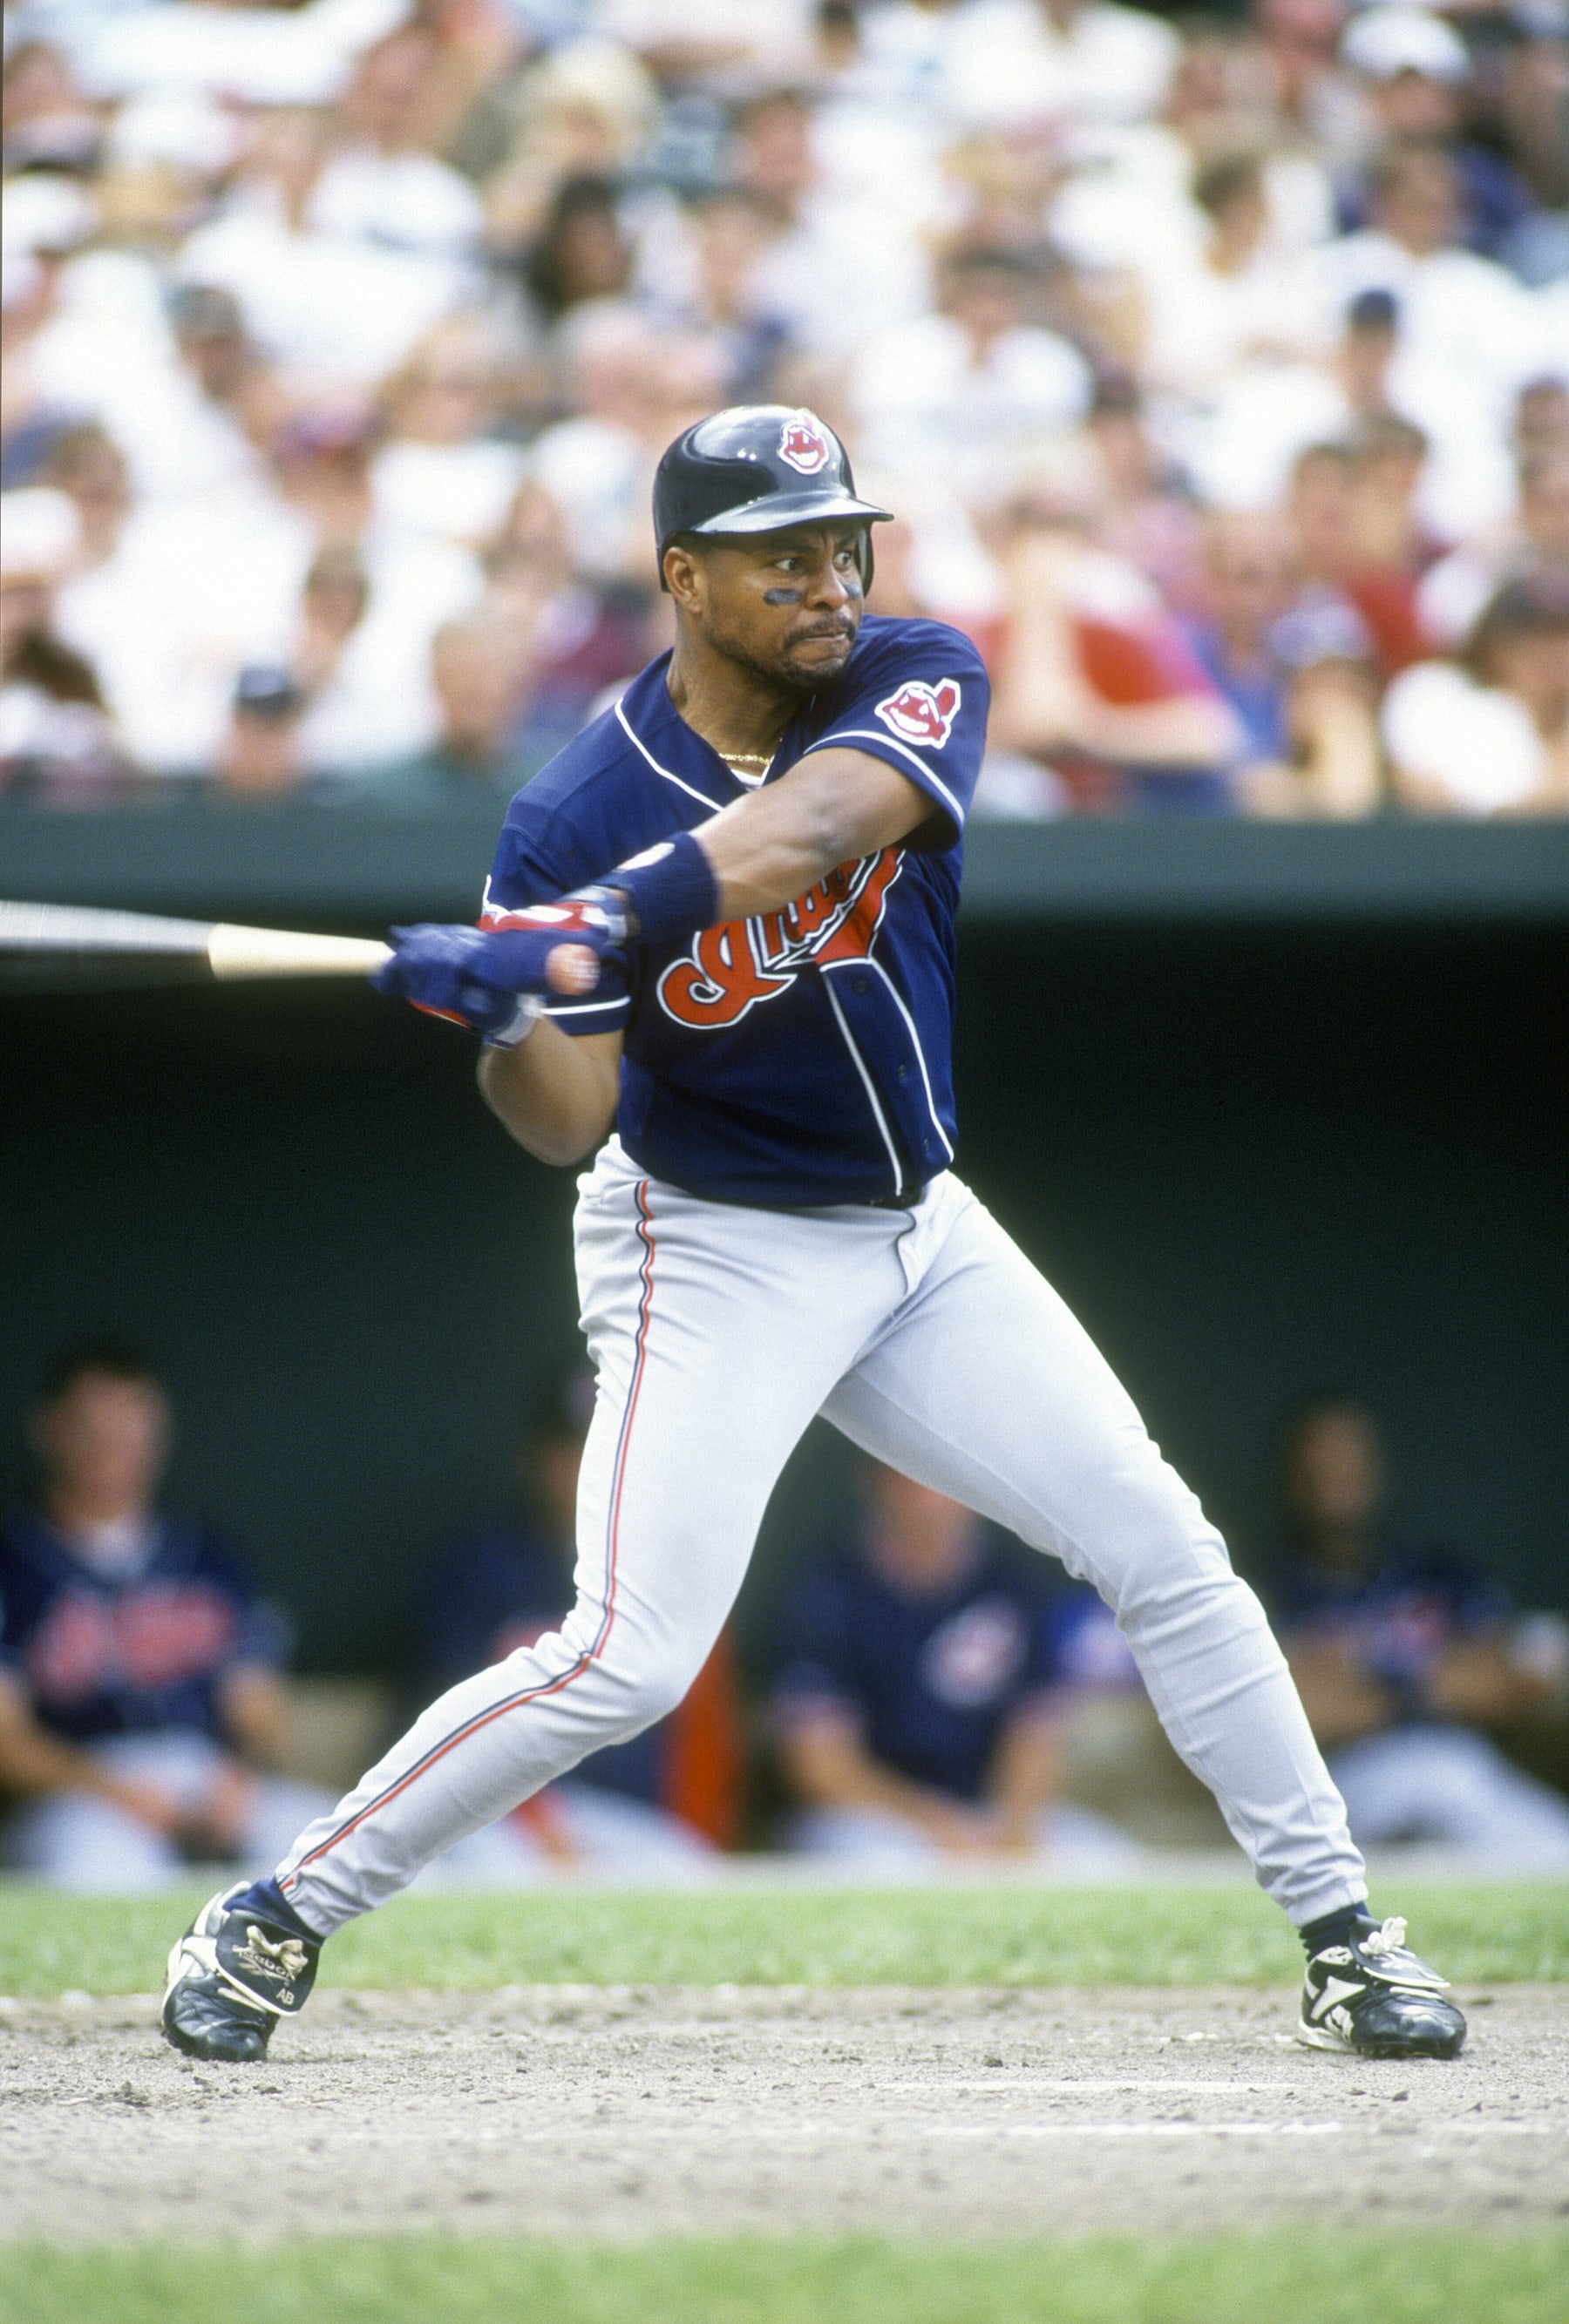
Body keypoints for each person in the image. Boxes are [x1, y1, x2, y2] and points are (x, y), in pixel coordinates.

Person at [162, 402, 1464, 2069]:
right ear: (686, 580)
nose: (829, 577)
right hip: (711, 1245)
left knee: (1163, 1543)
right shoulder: (568, 815)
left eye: (840, 539)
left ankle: (1349, 1936)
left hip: (920, 1230)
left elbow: (816, 829)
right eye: (784, 554)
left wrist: (596, 926)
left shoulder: (909, 669)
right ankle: (276, 1911)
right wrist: (503, 1012)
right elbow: (568, 1120)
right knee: (626, 1655)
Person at [0, 1343, 330, 1889]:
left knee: (339, 1855)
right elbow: (8, 1743)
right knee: (103, 1880)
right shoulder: (14, 1563)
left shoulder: (209, 1558)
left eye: (134, 1431)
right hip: (79, 1791)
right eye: (95, 1430)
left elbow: (259, 1709)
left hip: (205, 1776)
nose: (116, 1449)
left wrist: (239, 1777)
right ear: (49, 1429)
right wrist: (119, 1792)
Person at [405, 1367, 740, 1876]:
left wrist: (698, 1835)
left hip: (630, 1825)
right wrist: (543, 1829)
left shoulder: (671, 1575)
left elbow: (704, 1738)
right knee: (494, 1869)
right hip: (501, 1824)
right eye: (571, 1451)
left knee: (692, 1874)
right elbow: (450, 1739)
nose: (589, 1469)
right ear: (537, 1460)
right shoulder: (481, 1574)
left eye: (604, 1448)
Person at [773, 1460, 1138, 1865]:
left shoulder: (1014, 1584)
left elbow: (1035, 1738)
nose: (933, 1503)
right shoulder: (827, 1594)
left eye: (949, 1484)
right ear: (877, 1485)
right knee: (881, 1865)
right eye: (914, 1483)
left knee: (1107, 1860)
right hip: (876, 1820)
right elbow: (819, 1767)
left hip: (989, 1813)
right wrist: (935, 1824)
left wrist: (1013, 1833)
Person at [1266, 1401, 1569, 1865]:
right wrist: (1432, 1682)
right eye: (1322, 1463)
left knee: (1493, 1805)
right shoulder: (1269, 1589)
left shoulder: (1434, 1573)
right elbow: (1290, 1714)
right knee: (1441, 1785)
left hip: (1460, 1760)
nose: (1339, 1474)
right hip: (1346, 1779)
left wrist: (1374, 1690)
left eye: (1350, 1459)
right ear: (1294, 1479)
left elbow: (1506, 1677)